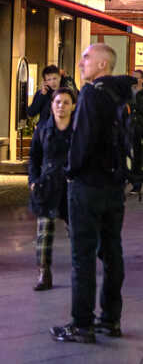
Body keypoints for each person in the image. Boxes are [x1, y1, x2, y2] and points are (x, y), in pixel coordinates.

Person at [52, 43, 133, 344]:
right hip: (113, 187)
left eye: (86, 57)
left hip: (87, 186)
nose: (81, 62)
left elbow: (82, 141)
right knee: (112, 253)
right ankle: (110, 320)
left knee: (82, 257)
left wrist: (71, 172)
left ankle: (81, 324)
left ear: (102, 65)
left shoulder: (90, 94)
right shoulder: (122, 97)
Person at [28, 87, 77, 291]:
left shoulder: (78, 130)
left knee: (76, 230)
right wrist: (33, 180)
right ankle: (44, 273)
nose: (61, 106)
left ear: (73, 106)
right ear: (52, 105)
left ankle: (80, 269)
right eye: (57, 102)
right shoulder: (43, 129)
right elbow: (34, 157)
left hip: (71, 187)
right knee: (44, 232)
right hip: (46, 186)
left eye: (66, 102)